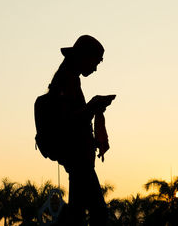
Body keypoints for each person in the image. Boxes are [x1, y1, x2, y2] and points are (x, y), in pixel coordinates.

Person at [48, 35, 114, 225]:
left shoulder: (70, 79)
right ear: (83, 57)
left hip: (79, 158)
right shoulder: (65, 80)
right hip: (78, 160)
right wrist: (92, 106)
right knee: (98, 212)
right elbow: (66, 121)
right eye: (95, 62)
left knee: (76, 212)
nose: (94, 68)